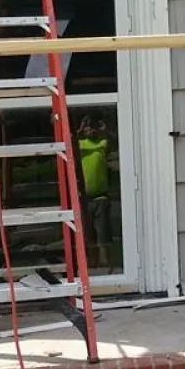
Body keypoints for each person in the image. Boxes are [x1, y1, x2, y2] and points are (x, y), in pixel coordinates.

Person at [76, 115, 112, 271]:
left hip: (100, 196)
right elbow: (68, 143)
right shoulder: (79, 144)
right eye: (87, 127)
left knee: (102, 230)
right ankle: (91, 260)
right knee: (88, 232)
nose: (90, 130)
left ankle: (104, 259)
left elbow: (113, 142)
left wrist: (106, 131)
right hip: (84, 197)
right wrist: (77, 132)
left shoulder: (102, 144)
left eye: (93, 127)